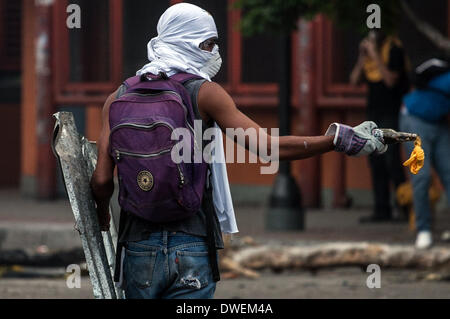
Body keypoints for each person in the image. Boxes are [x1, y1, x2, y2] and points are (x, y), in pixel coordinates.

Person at [91, 3, 389, 299]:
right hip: (191, 240)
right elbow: (267, 147)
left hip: (138, 244)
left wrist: (103, 216)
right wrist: (335, 139)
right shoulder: (205, 93)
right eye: (207, 44)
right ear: (187, 42)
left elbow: (102, 181)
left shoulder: (118, 97)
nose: (213, 52)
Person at [350, 30, 410, 223]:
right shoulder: (369, 55)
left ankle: (406, 209)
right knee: (375, 160)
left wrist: (376, 54)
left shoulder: (394, 49)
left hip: (391, 113)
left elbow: (391, 80)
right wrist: (362, 57)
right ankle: (381, 210)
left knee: (392, 161)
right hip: (373, 115)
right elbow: (354, 81)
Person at [399, 57, 450, 249]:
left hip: (439, 122)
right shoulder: (444, 75)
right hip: (415, 119)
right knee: (421, 176)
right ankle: (423, 230)